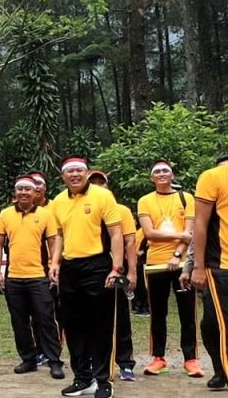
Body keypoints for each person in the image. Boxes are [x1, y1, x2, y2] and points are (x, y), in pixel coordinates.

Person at [49, 156, 123, 398]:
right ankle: (83, 378)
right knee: (73, 325)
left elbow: (116, 234)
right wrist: (55, 262)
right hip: (70, 268)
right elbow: (59, 234)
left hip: (98, 265)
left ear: (87, 173)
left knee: (99, 326)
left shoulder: (103, 196)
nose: (74, 175)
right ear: (63, 176)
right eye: (69, 171)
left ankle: (103, 381)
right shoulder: (58, 201)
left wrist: (116, 267)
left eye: (79, 170)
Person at [0, 175, 65, 379]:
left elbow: (53, 242)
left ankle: (54, 361)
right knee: (19, 321)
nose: (24, 192)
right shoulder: (5, 214)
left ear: (35, 193)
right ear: (15, 194)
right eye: (20, 189)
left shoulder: (45, 215)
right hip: (14, 277)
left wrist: (54, 265)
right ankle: (28, 359)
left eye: (28, 189)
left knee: (46, 319)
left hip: (38, 276)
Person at [135, 160, 201, 378]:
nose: (162, 174)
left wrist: (176, 253)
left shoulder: (186, 198)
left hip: (184, 264)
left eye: (166, 171)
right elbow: (150, 233)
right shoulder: (145, 200)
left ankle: (190, 359)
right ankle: (158, 357)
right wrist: (180, 235)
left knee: (187, 311)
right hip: (155, 264)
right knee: (158, 312)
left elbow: (190, 233)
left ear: (172, 175)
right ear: (151, 178)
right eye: (157, 172)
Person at [87, 170, 138, 382]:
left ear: (108, 186)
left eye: (102, 183)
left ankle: (125, 363)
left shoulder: (121, 210)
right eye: (94, 183)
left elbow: (129, 242)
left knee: (119, 317)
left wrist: (132, 271)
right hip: (88, 268)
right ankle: (94, 361)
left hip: (114, 267)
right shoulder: (82, 208)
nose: (98, 186)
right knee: (90, 318)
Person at [190, 156, 228, 390]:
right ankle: (220, 367)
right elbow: (200, 225)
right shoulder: (212, 177)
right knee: (214, 323)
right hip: (220, 266)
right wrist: (197, 267)